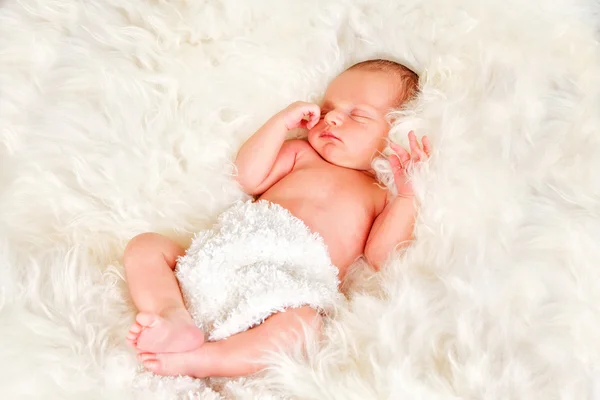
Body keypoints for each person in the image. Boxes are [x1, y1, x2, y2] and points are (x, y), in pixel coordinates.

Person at [124, 59, 431, 379]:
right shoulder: (302, 154)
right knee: (145, 246)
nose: (334, 119)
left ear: (394, 132)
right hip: (226, 258)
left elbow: (383, 255)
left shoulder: (379, 193)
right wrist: (280, 124)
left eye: (357, 114)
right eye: (326, 111)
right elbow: (248, 177)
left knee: (304, 326)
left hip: (289, 288)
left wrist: (409, 196)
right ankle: (173, 315)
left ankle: (208, 359)